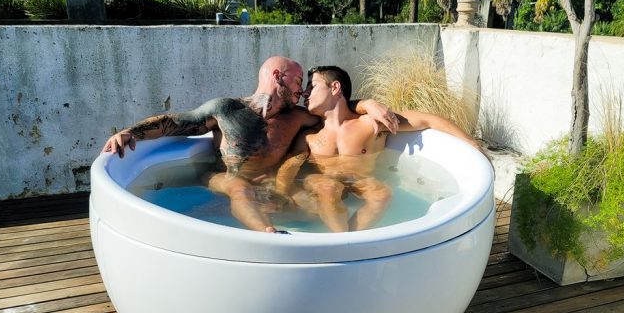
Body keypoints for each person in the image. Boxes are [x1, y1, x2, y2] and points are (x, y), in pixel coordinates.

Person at [102, 56, 400, 233]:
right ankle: (268, 235)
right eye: (298, 81)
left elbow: (337, 108)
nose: (302, 91)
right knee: (239, 187)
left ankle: (343, 247)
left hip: (272, 185)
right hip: (226, 179)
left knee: (318, 205)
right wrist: (130, 132)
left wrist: (369, 104)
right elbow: (177, 122)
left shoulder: (297, 117)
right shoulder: (226, 109)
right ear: (277, 76)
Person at [275, 65, 481, 232]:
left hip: (358, 180)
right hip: (321, 181)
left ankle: (351, 240)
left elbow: (427, 120)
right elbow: (289, 167)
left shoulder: (371, 124)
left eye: (312, 86)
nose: (305, 93)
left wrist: (471, 143)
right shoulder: (310, 137)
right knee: (329, 188)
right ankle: (342, 242)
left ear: (335, 87)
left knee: (382, 193)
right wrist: (285, 194)